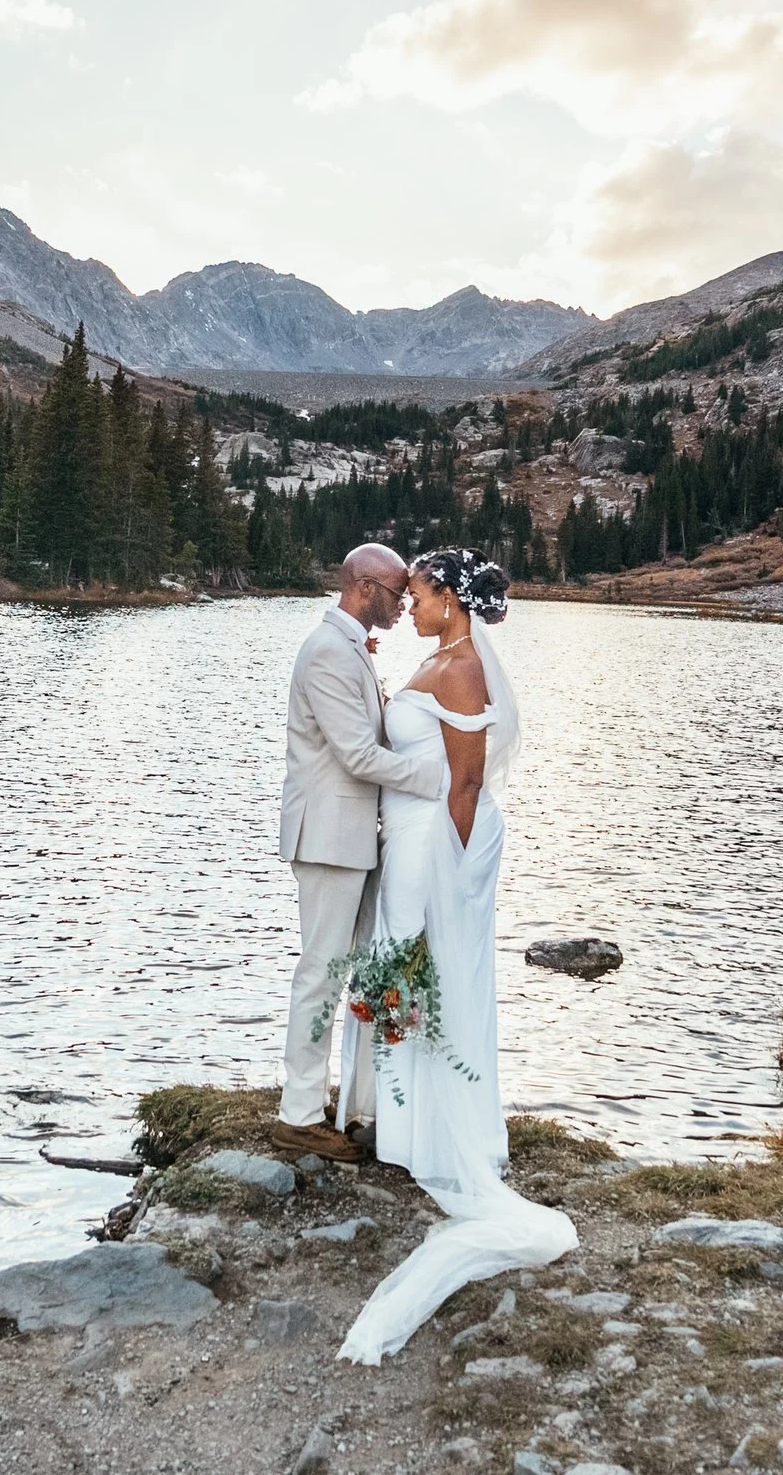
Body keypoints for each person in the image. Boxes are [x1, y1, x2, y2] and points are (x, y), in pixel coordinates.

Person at [336, 547, 576, 1364]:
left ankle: (436, 1137)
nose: (412, 603)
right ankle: (404, 1127)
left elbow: (465, 785)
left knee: (420, 973)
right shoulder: (439, 657)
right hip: (411, 839)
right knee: (399, 972)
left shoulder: (464, 666)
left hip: (436, 846)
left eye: (423, 593)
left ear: (451, 599)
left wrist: (459, 873)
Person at [274, 543, 447, 1164]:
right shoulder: (327, 653)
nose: (404, 603)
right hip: (326, 836)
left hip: (351, 837)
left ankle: (324, 1103)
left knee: (336, 971)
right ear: (367, 587)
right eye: (399, 592)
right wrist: (440, 782)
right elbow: (355, 755)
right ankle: (297, 1115)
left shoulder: (348, 648)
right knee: (319, 972)